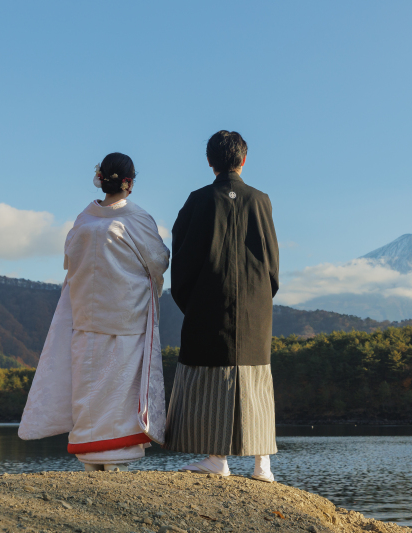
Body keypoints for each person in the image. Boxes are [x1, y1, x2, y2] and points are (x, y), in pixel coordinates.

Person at [19, 152, 170, 471]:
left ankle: (90, 456)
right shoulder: (137, 218)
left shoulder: (83, 220)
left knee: (87, 388)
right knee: (118, 392)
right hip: (125, 317)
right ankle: (115, 458)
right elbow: (158, 262)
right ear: (129, 183)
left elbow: (69, 263)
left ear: (102, 179)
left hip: (86, 316)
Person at [165, 130, 280, 482]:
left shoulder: (198, 200)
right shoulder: (260, 200)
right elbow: (272, 262)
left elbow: (181, 261)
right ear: (243, 160)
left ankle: (217, 459)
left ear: (210, 161)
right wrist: (261, 297)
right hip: (254, 307)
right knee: (256, 379)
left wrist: (192, 301)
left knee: (212, 378)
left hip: (207, 305)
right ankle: (263, 467)